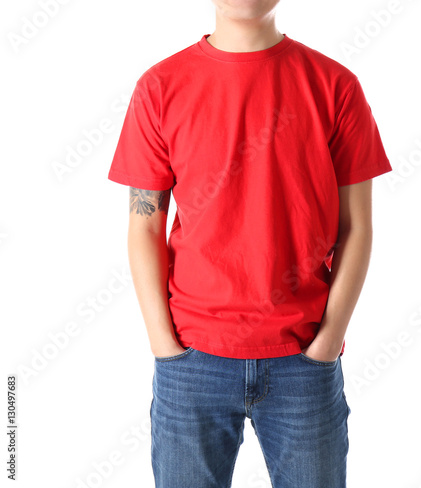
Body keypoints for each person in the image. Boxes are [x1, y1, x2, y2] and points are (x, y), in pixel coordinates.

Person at [107, 1, 392, 486]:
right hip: (192, 358)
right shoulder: (158, 88)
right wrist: (164, 345)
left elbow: (357, 227)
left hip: (303, 359)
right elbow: (145, 224)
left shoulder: (335, 86)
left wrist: (325, 343)